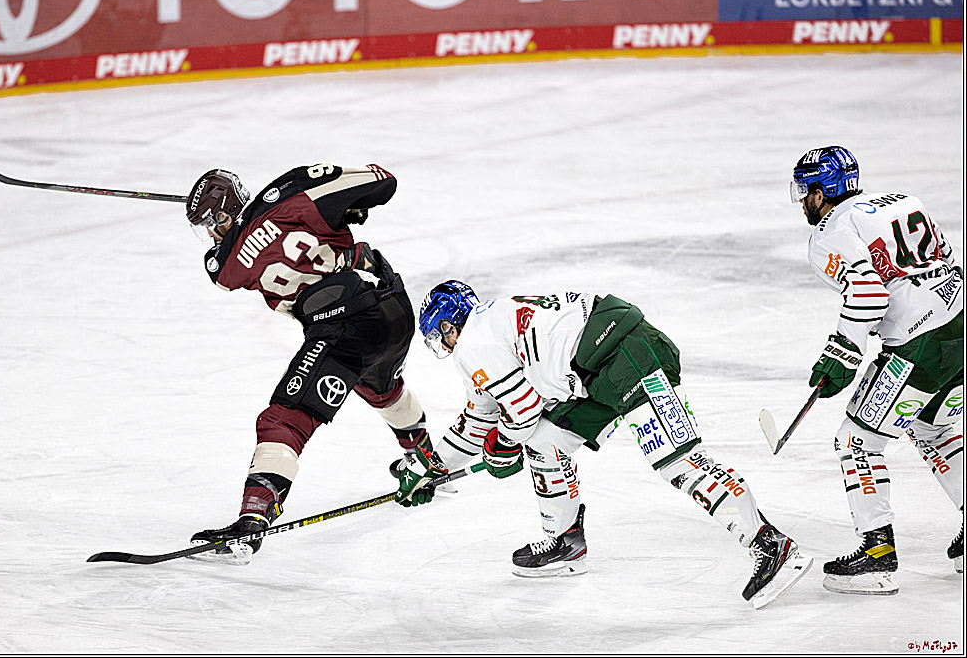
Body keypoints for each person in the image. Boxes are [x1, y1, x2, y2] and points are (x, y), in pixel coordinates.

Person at [395, 281, 812, 608]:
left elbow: (518, 413)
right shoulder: (492, 325)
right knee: (545, 441)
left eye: (440, 335)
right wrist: (430, 468)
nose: (444, 345)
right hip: (600, 372)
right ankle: (565, 541)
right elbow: (478, 419)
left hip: (629, 359)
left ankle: (770, 544)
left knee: (680, 464)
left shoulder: (475, 342)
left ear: (451, 324)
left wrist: (502, 446)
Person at [183, 163, 432, 564]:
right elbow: (383, 180)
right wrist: (348, 206)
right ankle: (425, 460)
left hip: (346, 324)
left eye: (211, 225)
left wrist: (248, 225)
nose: (210, 235)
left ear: (226, 217)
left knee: (284, 421)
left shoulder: (226, 266)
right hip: (393, 309)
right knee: (381, 388)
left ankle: (251, 524)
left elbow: (222, 264)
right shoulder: (294, 195)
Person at [790, 145, 964, 594]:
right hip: (960, 326)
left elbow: (869, 294)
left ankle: (876, 555)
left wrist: (841, 354)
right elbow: (946, 257)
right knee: (937, 430)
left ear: (820, 190)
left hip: (917, 346)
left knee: (857, 440)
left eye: (805, 190)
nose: (803, 201)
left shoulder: (830, 232)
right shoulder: (903, 200)